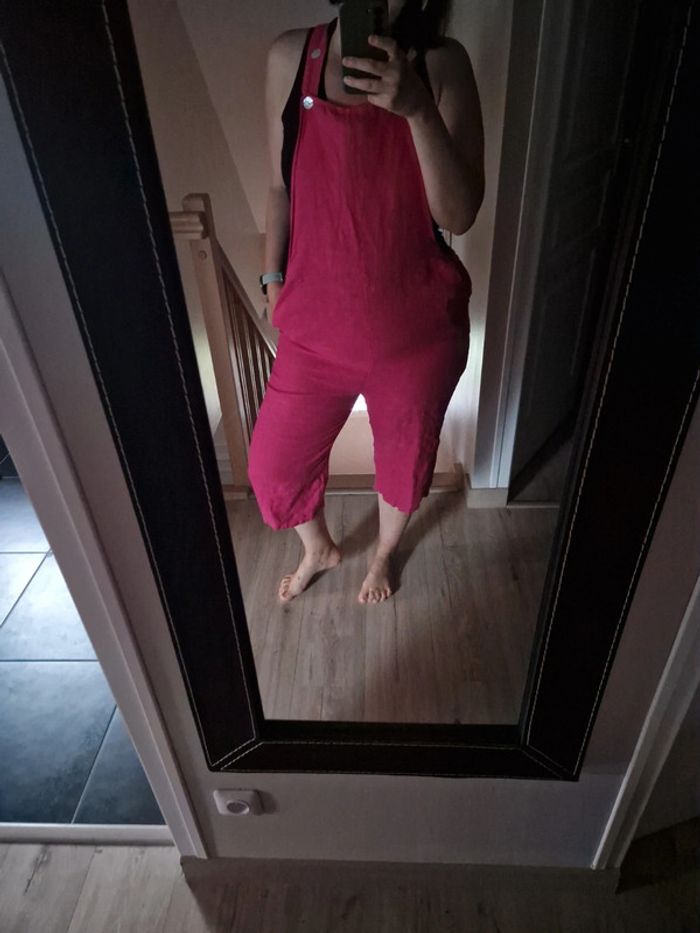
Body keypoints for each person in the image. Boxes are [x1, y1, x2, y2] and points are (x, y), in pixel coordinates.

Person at [247, 0, 484, 605]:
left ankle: (383, 555)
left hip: (416, 335)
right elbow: (279, 187)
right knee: (273, 466)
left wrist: (418, 109)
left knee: (404, 464)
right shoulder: (290, 56)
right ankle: (319, 548)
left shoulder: (443, 63)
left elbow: (458, 213)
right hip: (313, 331)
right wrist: (272, 281)